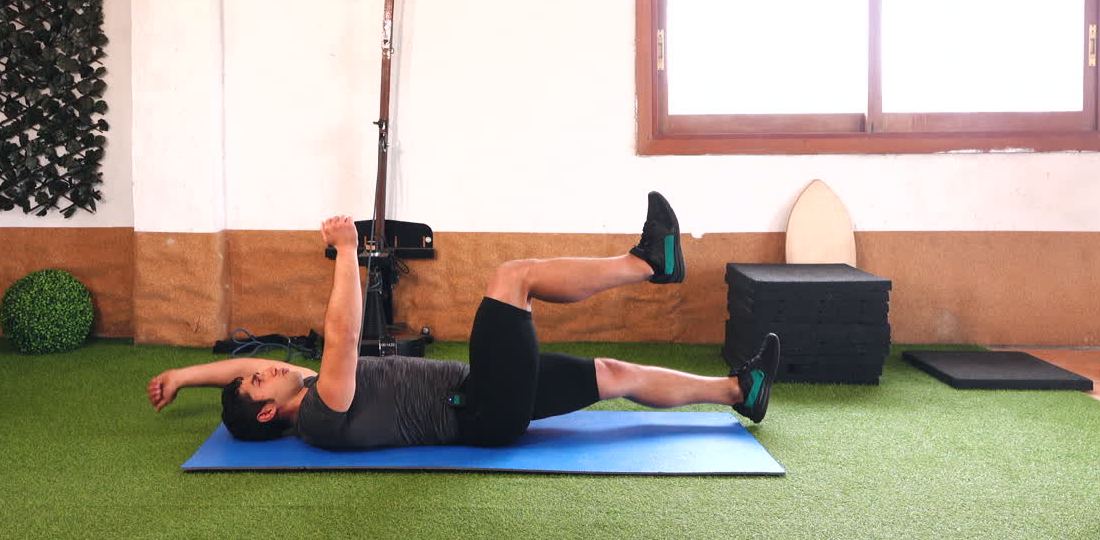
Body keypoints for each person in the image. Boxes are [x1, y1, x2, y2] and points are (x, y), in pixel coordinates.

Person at [147, 191, 780, 449]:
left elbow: (239, 367)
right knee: (513, 278)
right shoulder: (320, 412)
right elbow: (342, 333)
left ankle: (737, 393)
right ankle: (648, 264)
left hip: (490, 400)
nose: (266, 368)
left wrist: (182, 374)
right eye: (261, 381)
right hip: (479, 408)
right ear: (267, 411)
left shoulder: (306, 391)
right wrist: (345, 250)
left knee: (613, 374)